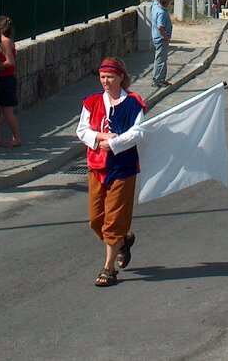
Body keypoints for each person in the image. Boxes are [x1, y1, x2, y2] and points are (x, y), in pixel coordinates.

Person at [76, 57, 146, 287]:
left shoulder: (133, 103)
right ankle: (123, 240)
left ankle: (108, 268)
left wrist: (115, 144)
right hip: (97, 166)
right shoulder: (92, 103)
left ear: (120, 78)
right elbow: (82, 130)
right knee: (96, 219)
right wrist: (100, 137)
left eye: (110, 77)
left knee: (114, 219)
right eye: (102, 77)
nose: (105, 81)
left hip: (123, 168)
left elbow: (138, 132)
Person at [0, 16, 22, 148]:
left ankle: (16, 137)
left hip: (6, 79)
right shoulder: (7, 41)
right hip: (5, 79)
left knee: (7, 110)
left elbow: (11, 62)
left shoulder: (5, 43)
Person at [151, 0, 173, 87]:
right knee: (160, 60)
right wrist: (165, 36)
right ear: (167, 2)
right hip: (161, 39)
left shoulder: (156, 6)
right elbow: (160, 26)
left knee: (162, 58)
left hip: (156, 37)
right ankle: (157, 80)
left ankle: (161, 79)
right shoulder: (161, 12)